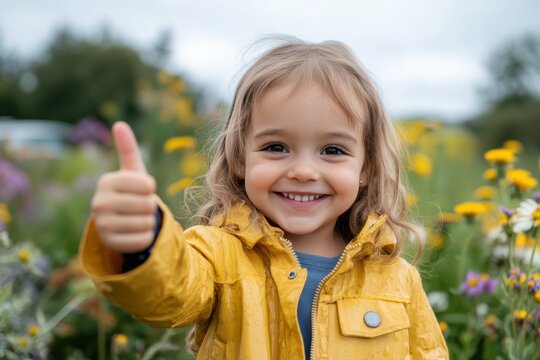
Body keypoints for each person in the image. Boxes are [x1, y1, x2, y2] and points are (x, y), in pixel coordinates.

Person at [80, 37, 449, 359]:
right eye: (276, 147)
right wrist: (145, 242)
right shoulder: (218, 257)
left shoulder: (398, 279)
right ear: (241, 157)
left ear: (365, 166)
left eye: (333, 150)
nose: (304, 171)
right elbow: (168, 296)